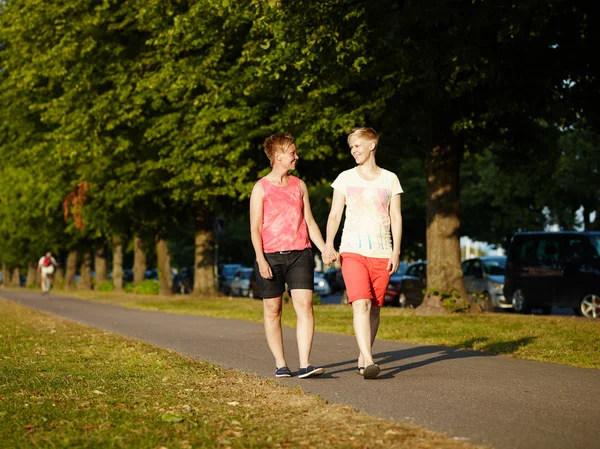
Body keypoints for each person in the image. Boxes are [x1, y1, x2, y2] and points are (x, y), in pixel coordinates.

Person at [250, 132, 331, 379]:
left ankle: (305, 364)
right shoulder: (260, 188)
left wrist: (325, 247)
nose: (297, 156)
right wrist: (261, 259)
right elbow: (254, 228)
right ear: (277, 157)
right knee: (273, 310)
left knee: (305, 306)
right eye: (292, 153)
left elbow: (309, 221)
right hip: (271, 257)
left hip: (300, 254)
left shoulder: (299, 185)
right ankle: (281, 363)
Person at [323, 127, 403, 379]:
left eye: (357, 146)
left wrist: (396, 251)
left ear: (372, 145)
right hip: (352, 249)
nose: (353, 151)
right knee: (361, 302)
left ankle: (363, 353)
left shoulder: (390, 179)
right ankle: (368, 359)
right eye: (351, 147)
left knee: (376, 308)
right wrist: (328, 244)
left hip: (382, 251)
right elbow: (335, 214)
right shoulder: (345, 178)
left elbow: (396, 216)